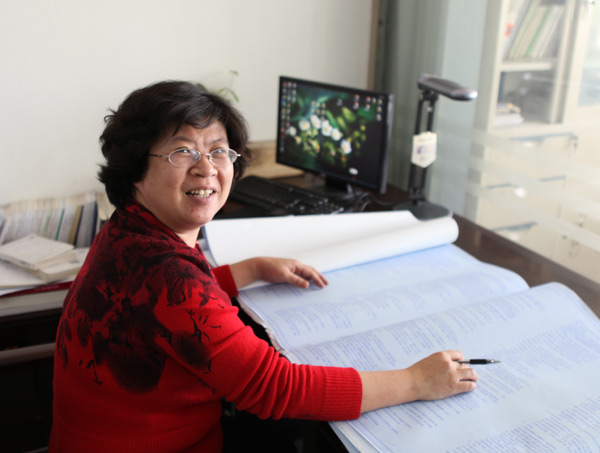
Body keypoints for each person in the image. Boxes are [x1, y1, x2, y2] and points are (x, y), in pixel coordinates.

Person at [50, 80, 478, 452]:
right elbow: (274, 388)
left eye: (219, 151)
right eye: (183, 151)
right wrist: (415, 382)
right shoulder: (167, 272)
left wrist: (249, 270)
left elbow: (158, 308)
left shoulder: (127, 231)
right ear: (135, 169)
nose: (206, 168)